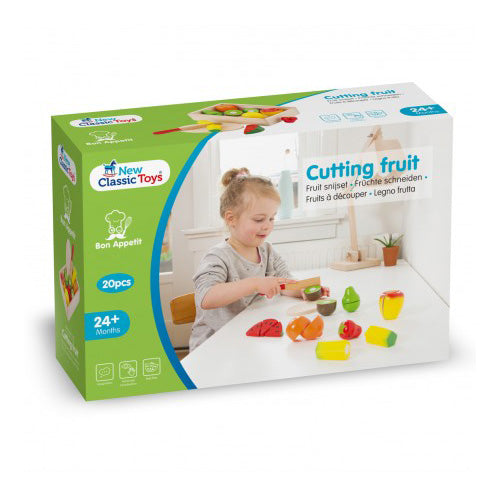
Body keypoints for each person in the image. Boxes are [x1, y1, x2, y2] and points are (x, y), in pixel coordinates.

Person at [190, 168, 329, 351]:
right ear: (231, 219)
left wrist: (302, 290)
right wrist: (255, 283)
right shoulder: (218, 257)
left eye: (271, 218)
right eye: (259, 219)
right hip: (214, 346)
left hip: (248, 339)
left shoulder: (267, 251)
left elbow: (283, 282)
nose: (267, 226)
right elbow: (206, 298)